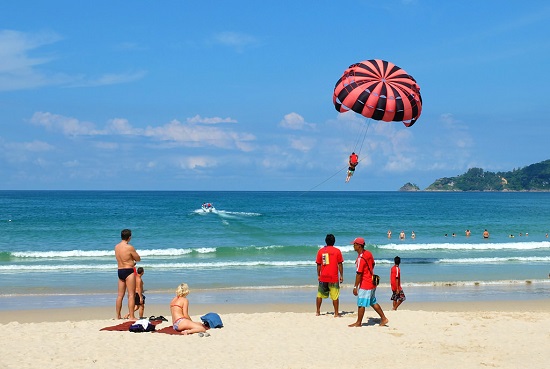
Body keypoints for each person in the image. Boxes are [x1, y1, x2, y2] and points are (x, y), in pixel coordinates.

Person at [348, 237, 388, 327]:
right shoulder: (368, 253)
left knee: (361, 303)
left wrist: (355, 287)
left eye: (354, 244)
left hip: (365, 284)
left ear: (359, 246)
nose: (353, 246)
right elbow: (373, 264)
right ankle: (384, 318)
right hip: (372, 282)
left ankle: (358, 322)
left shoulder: (360, 259)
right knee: (372, 301)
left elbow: (359, 274)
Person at [315, 234, 344, 317]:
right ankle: (336, 313)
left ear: (326, 241)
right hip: (334, 277)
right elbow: (340, 264)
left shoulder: (321, 251)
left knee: (319, 294)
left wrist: (318, 275)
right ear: (334, 242)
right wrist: (341, 275)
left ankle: (318, 311)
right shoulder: (337, 251)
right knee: (335, 296)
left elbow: (318, 264)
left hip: (323, 277)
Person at [115, 229, 141, 320]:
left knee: (120, 295)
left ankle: (118, 316)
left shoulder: (116, 247)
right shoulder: (129, 247)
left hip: (120, 270)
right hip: (128, 270)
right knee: (131, 295)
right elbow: (138, 258)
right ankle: (132, 316)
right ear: (129, 237)